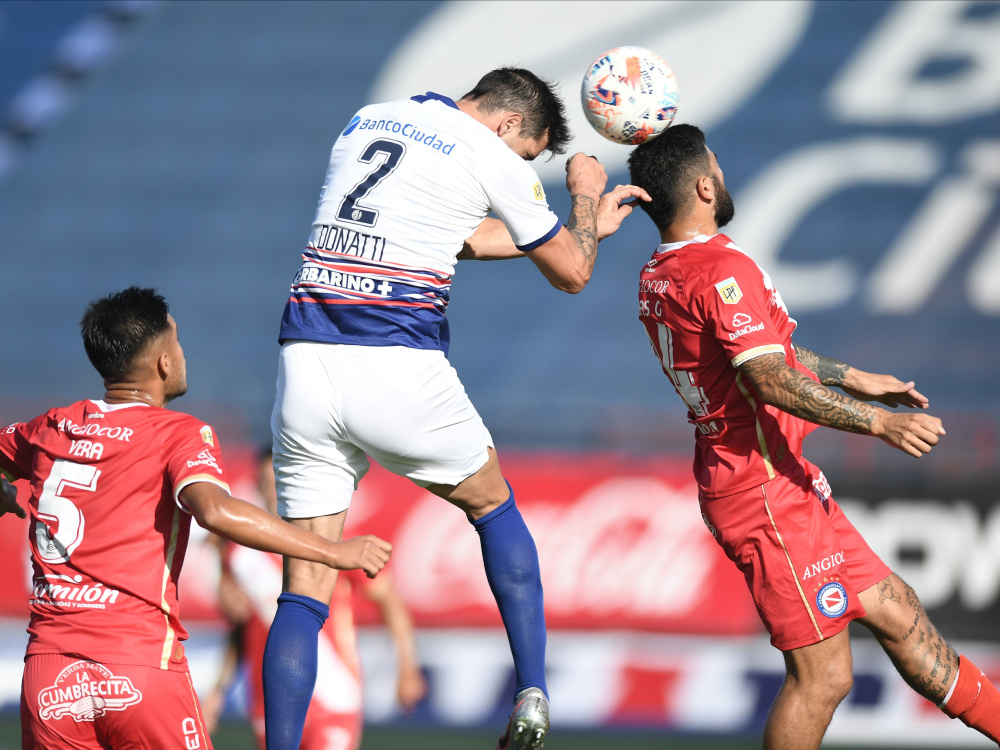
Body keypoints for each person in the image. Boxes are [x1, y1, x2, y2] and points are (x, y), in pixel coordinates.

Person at [265, 66, 648, 750]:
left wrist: (574, 230)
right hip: (396, 360)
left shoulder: (369, 118)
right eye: (525, 152)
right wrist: (585, 200)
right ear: (510, 124)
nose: (520, 163)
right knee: (492, 504)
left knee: (306, 582)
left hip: (306, 362)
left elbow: (457, 235)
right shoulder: (486, 152)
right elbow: (573, 272)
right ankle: (533, 690)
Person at [627, 124, 1000, 749]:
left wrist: (854, 378)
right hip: (764, 494)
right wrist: (878, 421)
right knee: (823, 678)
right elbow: (769, 379)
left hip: (780, 480)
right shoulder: (719, 268)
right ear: (703, 186)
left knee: (898, 612)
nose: (722, 174)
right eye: (716, 165)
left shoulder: (664, 271)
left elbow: (761, 352)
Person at [0, 286, 392, 750]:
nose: (184, 354)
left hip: (49, 674)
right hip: (139, 662)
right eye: (178, 341)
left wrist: (5, 493)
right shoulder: (178, 432)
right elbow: (214, 509)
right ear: (164, 362)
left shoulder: (51, 427)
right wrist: (331, 551)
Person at [202, 448, 427, 750]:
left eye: (279, 481)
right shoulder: (242, 555)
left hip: (334, 696)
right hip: (270, 704)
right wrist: (219, 690)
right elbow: (243, 627)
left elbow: (389, 600)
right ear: (256, 485)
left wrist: (408, 665)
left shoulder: (332, 542)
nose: (274, 490)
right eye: (267, 482)